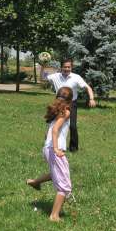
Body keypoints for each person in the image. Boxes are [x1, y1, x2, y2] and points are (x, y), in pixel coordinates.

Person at [26, 87, 74, 222]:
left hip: (48, 149)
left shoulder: (56, 111)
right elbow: (54, 130)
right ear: (71, 100)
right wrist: (56, 148)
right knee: (64, 185)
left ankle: (35, 182)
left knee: (56, 174)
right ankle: (54, 216)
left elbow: (48, 132)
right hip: (54, 150)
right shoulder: (66, 112)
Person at [47, 58, 96, 152]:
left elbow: (87, 87)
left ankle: (73, 149)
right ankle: (51, 144)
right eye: (65, 67)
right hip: (58, 103)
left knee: (72, 126)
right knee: (53, 123)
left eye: (69, 67)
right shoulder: (55, 76)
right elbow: (43, 77)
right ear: (61, 67)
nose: (67, 69)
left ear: (71, 67)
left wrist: (91, 99)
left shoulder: (76, 77)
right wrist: (43, 65)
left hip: (71, 103)